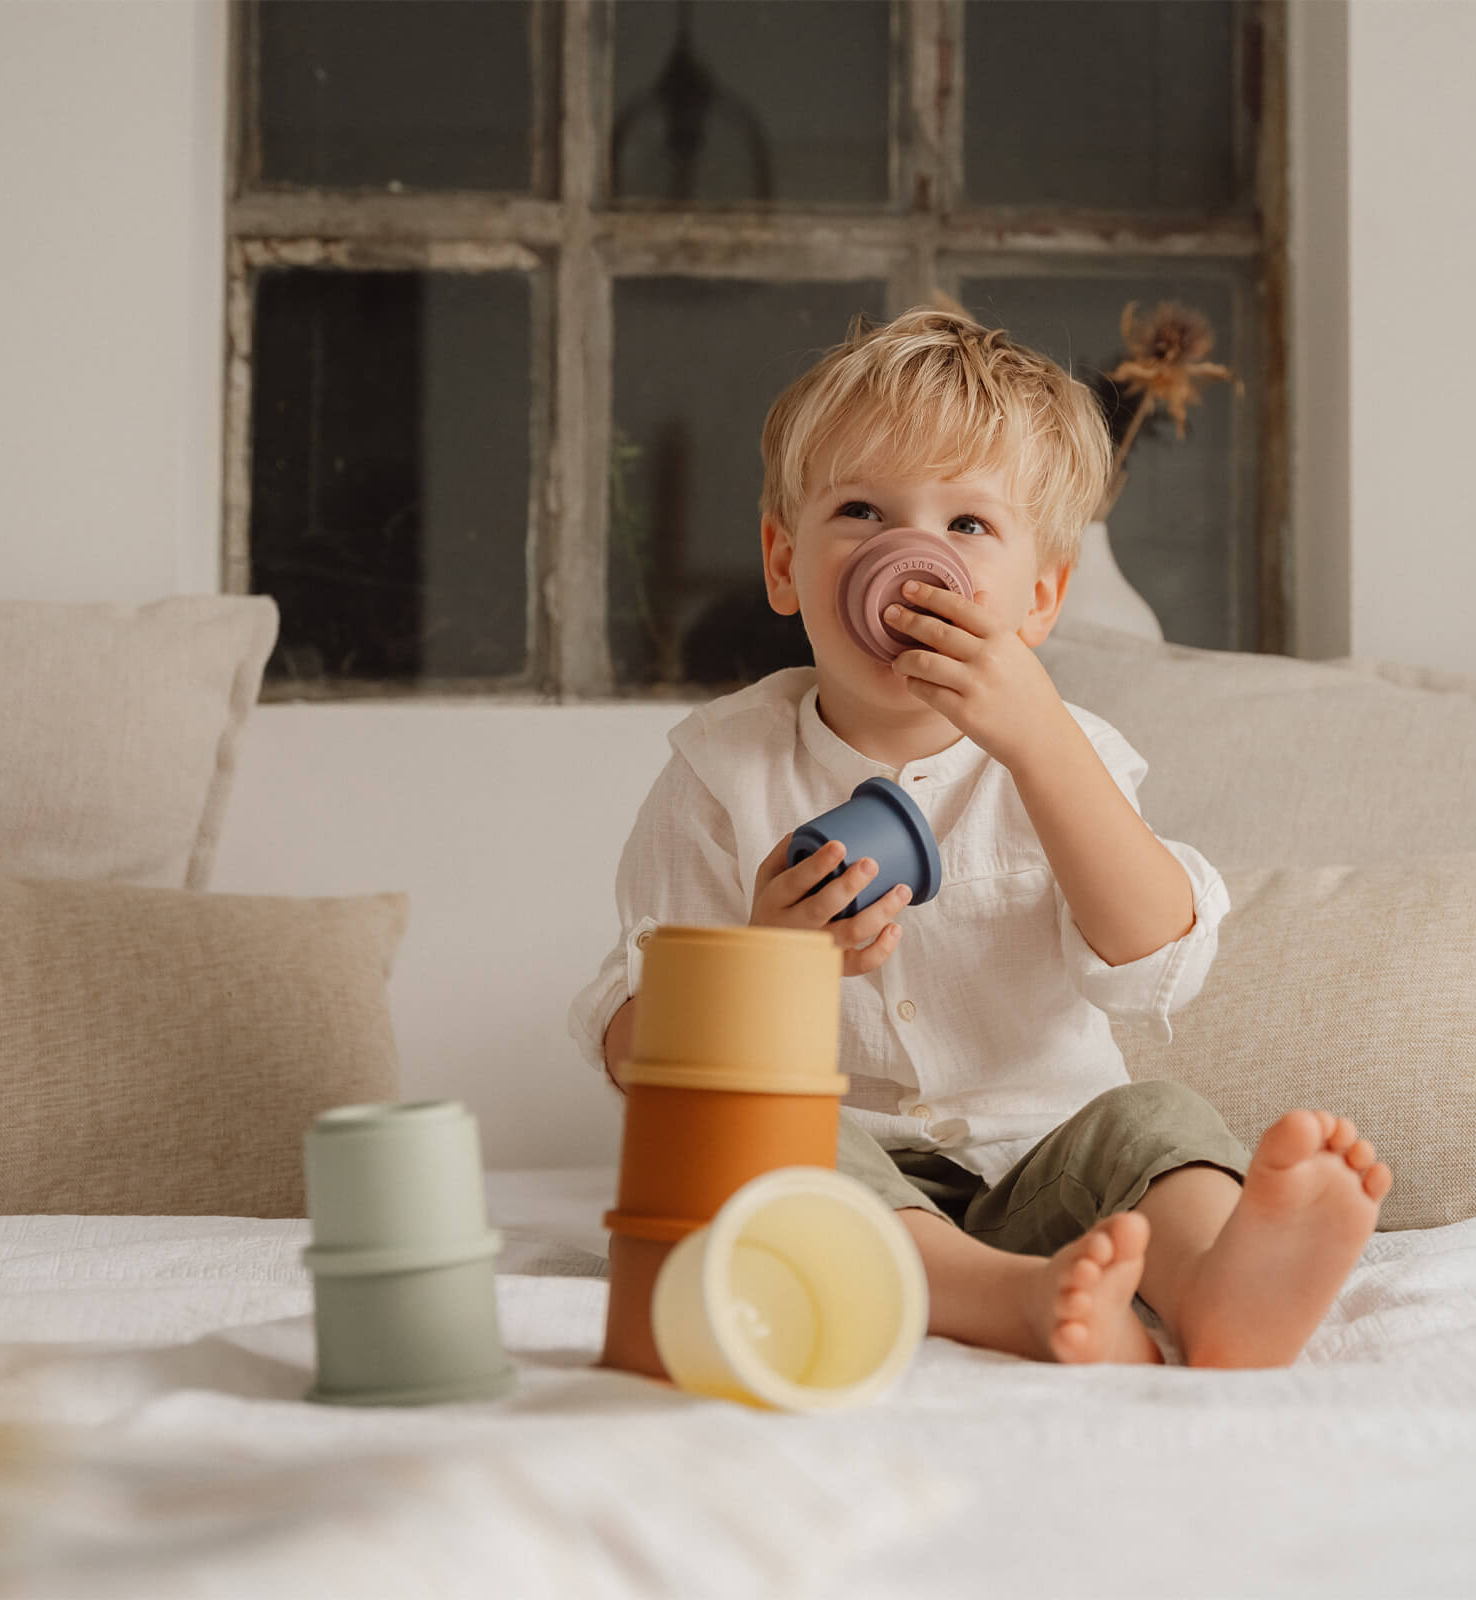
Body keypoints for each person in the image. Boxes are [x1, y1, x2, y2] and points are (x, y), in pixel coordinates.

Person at [568, 304, 1391, 1367]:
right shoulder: (721, 776)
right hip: (851, 1182)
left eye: (966, 526)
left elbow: (1158, 966)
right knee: (769, 1145)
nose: (909, 556)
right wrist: (762, 969)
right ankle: (1009, 1299)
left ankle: (1216, 1282)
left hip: (1048, 1161)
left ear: (1039, 597)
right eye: (861, 511)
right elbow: (635, 1047)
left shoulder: (1068, 752)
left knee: (1156, 1121)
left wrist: (1041, 743)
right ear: (784, 563)